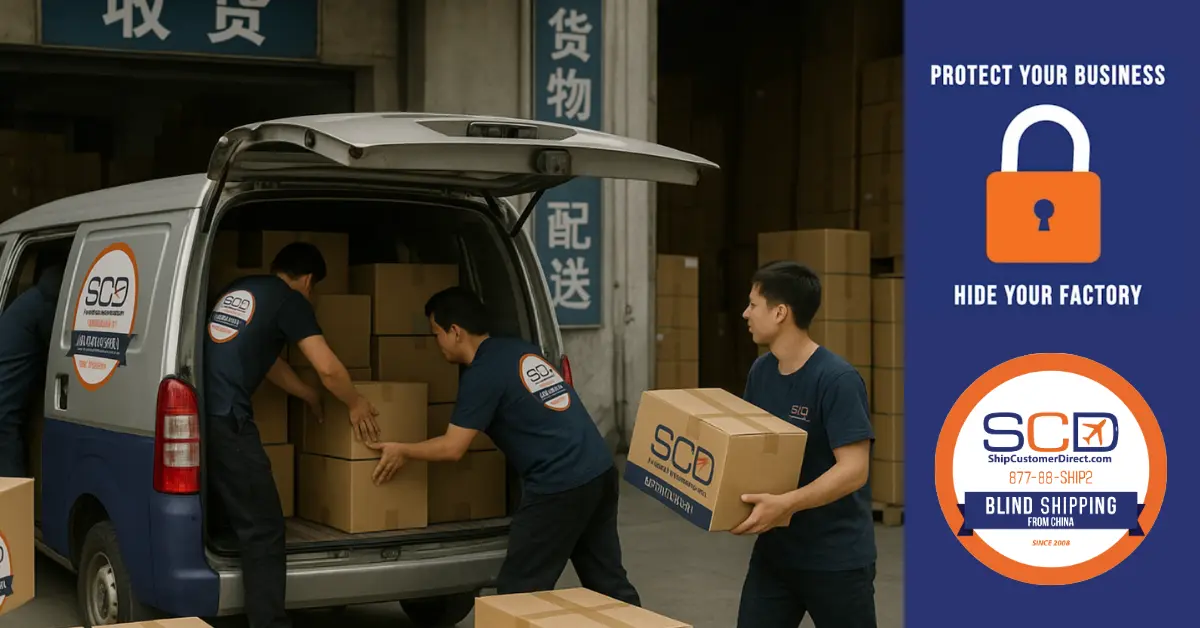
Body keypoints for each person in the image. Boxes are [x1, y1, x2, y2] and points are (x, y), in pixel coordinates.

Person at [367, 286, 640, 605]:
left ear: (455, 332)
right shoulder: (519, 350)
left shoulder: (482, 374)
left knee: (518, 593)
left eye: (436, 333)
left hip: (559, 484)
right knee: (608, 583)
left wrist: (402, 449)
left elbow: (453, 448)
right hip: (599, 470)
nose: (436, 343)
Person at [204, 241, 381, 628]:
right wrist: (354, 403)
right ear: (308, 280)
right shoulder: (291, 301)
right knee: (265, 525)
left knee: (224, 511)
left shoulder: (240, 291)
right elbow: (328, 367)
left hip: (202, 413)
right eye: (313, 287)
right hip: (228, 420)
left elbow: (265, 361)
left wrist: (306, 394)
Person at [731, 260, 877, 628]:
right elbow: (751, 448)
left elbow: (854, 470)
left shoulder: (836, 379)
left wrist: (786, 505)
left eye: (753, 304)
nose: (745, 313)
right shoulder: (761, 372)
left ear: (780, 312)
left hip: (835, 558)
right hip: (776, 554)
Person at [0, 256, 65, 478]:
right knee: (7, 442)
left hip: (6, 391)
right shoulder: (46, 307)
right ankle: (16, 508)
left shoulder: (30, 300)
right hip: (3, 403)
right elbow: (58, 351)